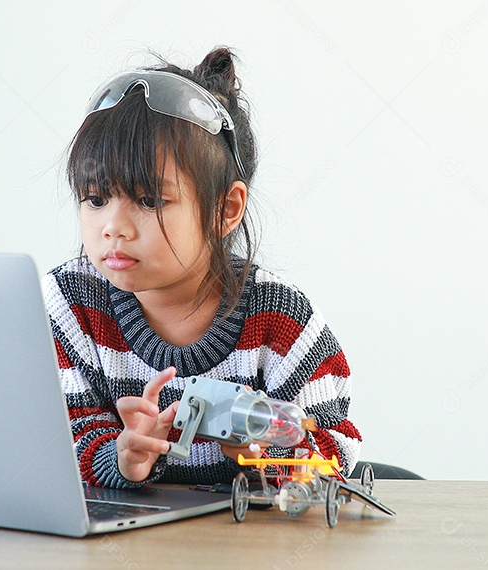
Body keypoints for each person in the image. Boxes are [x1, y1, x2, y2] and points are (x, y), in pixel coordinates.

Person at [43, 47, 361, 489]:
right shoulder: (69, 305)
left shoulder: (282, 321)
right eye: (96, 199)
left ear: (224, 210)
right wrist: (119, 456)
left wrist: (269, 453)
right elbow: (52, 444)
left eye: (149, 200)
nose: (113, 228)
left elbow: (336, 450)